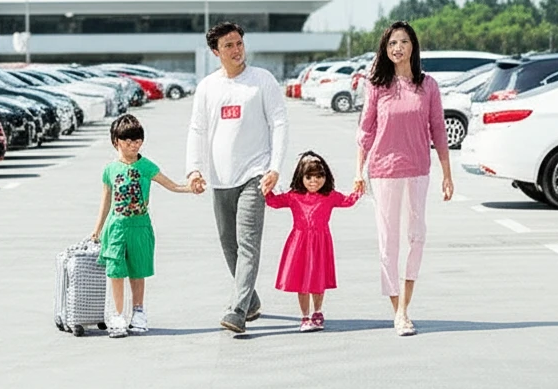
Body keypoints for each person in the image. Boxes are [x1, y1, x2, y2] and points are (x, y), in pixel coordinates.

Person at [186, 21, 289, 334]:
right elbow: (197, 129)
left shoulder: (262, 80)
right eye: (228, 45)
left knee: (247, 244)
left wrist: (274, 167)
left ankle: (237, 310)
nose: (236, 50)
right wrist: (194, 168)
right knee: (228, 245)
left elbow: (280, 124)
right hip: (219, 178)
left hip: (254, 176)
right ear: (215, 51)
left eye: (239, 43)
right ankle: (251, 300)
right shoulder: (207, 87)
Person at [354, 20, 453, 337]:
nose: (397, 48)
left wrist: (447, 175)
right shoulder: (377, 85)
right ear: (385, 49)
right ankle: (399, 311)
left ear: (413, 46)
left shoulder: (428, 86)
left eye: (403, 42)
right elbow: (366, 130)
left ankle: (405, 306)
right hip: (383, 171)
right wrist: (359, 171)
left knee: (416, 236)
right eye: (392, 43)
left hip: (418, 170)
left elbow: (438, 130)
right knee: (388, 242)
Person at [91, 114, 200, 338]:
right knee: (116, 272)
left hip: (140, 227)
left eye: (137, 141)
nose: (133, 145)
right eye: (127, 141)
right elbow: (106, 201)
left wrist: (191, 188)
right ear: (116, 142)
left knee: (138, 271)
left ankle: (138, 312)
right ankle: (119, 315)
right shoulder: (110, 170)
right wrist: (97, 228)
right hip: (116, 228)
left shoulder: (147, 166)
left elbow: (171, 185)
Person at [264, 151, 361, 332]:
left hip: (320, 243)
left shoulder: (329, 196)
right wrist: (267, 186)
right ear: (301, 178)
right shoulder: (294, 196)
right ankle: (305, 315)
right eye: (309, 177)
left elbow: (348, 201)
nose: (314, 181)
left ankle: (318, 311)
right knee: (302, 280)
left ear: (326, 177)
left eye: (318, 176)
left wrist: (359, 188)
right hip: (299, 242)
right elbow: (274, 202)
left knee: (318, 278)